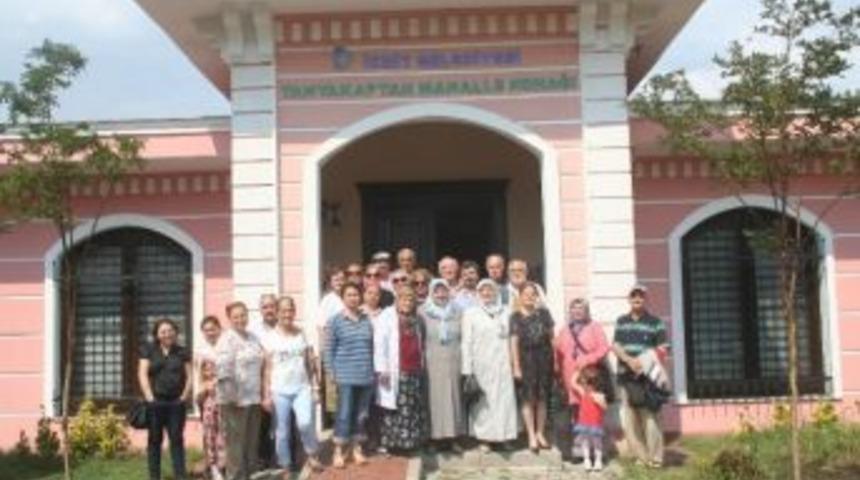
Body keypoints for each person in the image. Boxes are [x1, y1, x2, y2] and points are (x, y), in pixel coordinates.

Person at [262, 296, 323, 473]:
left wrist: (316, 387)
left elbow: (310, 363)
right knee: (282, 431)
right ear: (278, 313)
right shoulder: (270, 337)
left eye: (290, 310)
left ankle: (312, 454)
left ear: (294, 312)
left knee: (305, 423)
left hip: (301, 387)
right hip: (279, 390)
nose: (287, 314)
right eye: (284, 310)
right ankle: (285, 465)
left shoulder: (302, 334)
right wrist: (266, 395)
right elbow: (267, 368)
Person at [613, 285, 669, 468]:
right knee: (630, 419)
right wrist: (629, 360)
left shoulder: (656, 322)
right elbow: (616, 345)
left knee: (651, 418)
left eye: (641, 296)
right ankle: (640, 457)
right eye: (633, 296)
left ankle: (656, 458)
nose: (637, 299)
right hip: (625, 375)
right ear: (628, 299)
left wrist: (642, 362)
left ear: (646, 299)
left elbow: (663, 348)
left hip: (648, 378)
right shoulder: (621, 321)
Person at [461, 279, 518, 450]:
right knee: (484, 405)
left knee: (505, 402)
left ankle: (505, 437)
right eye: (483, 291)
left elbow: (513, 339)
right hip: (481, 365)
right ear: (478, 293)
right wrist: (467, 370)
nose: (486, 294)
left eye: (490, 290)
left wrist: (515, 364)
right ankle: (485, 439)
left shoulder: (506, 312)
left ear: (496, 292)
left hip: (503, 365)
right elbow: (466, 342)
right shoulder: (471, 313)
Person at [324, 283, 375, 468]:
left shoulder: (366, 319)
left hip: (365, 375)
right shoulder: (335, 321)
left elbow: (372, 348)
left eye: (356, 294)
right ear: (343, 298)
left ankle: (356, 448)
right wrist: (331, 373)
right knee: (344, 414)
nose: (353, 298)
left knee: (361, 414)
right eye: (349, 295)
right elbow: (328, 349)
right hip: (344, 377)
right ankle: (339, 450)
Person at [554, 298, 611, 460]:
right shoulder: (565, 329)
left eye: (580, 308)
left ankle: (598, 452)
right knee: (576, 415)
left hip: (590, 378)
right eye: (573, 308)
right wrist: (556, 368)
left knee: (593, 415)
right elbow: (558, 351)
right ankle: (580, 452)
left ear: (586, 311)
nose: (577, 311)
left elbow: (604, 348)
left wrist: (587, 359)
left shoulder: (595, 327)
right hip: (570, 378)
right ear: (570, 312)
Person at [215, 302, 266, 480]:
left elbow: (262, 363)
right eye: (236, 316)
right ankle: (235, 477)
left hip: (253, 398)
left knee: (251, 443)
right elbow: (223, 371)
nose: (240, 319)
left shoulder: (253, 337)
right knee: (235, 446)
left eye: (243, 315)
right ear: (229, 319)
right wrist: (231, 397)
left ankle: (251, 476)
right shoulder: (226, 339)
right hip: (235, 400)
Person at [375, 287, 429, 453]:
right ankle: (391, 443)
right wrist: (382, 368)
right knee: (395, 408)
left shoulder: (417, 318)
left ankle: (410, 442)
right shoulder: (387, 316)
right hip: (395, 369)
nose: (407, 303)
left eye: (410, 300)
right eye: (404, 299)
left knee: (412, 407)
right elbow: (380, 343)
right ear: (397, 300)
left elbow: (422, 342)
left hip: (415, 368)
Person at [138, 318, 192, 480]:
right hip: (155, 402)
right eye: (163, 331)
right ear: (157, 334)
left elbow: (190, 376)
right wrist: (149, 397)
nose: (167, 334)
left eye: (170, 330)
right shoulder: (148, 350)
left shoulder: (182, 352)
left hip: (176, 403)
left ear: (175, 332)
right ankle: (154, 476)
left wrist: (184, 397)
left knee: (176, 440)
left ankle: (180, 475)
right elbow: (142, 374)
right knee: (154, 440)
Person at [420, 279, 465, 451]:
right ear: (431, 293)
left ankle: (453, 438)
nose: (440, 295)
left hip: (454, 360)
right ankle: (434, 439)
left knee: (454, 398)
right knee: (434, 400)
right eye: (436, 291)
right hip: (432, 362)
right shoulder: (422, 311)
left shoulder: (458, 311)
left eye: (443, 291)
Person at [510, 282, 555, 453]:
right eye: (526, 294)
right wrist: (516, 366)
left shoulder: (544, 314)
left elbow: (552, 339)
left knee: (542, 398)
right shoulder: (515, 316)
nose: (529, 296)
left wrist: (556, 361)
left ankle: (540, 433)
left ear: (537, 296)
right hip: (526, 360)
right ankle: (531, 435)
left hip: (544, 359)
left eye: (532, 294)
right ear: (520, 297)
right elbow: (513, 343)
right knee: (527, 399)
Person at [196, 316, 226, 480]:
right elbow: (198, 375)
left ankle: (224, 465)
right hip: (208, 398)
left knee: (224, 432)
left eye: (213, 329)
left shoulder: (226, 347)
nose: (210, 333)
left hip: (226, 396)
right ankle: (213, 466)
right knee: (210, 432)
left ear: (219, 328)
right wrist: (201, 392)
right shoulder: (201, 351)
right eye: (206, 330)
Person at [252, 294, 279, 470]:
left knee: (284, 423)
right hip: (263, 382)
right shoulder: (254, 331)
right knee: (264, 423)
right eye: (265, 307)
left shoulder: (286, 325)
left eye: (271, 306)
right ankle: (264, 460)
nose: (269, 310)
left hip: (285, 381)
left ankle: (285, 459)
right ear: (260, 310)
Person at [317, 266, 346, 422]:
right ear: (329, 282)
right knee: (333, 394)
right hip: (332, 352)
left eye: (342, 279)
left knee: (342, 392)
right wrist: (326, 352)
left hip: (345, 353)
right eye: (336, 279)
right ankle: (336, 428)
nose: (340, 282)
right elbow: (322, 327)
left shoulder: (344, 298)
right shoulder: (328, 300)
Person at [570, 366, 608, 472]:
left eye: (588, 383)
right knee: (585, 442)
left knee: (597, 443)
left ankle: (598, 461)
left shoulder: (600, 395)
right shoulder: (583, 392)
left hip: (596, 423)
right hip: (584, 423)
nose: (586, 385)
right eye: (585, 382)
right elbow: (573, 383)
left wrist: (600, 401)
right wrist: (578, 369)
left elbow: (605, 408)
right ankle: (587, 460)